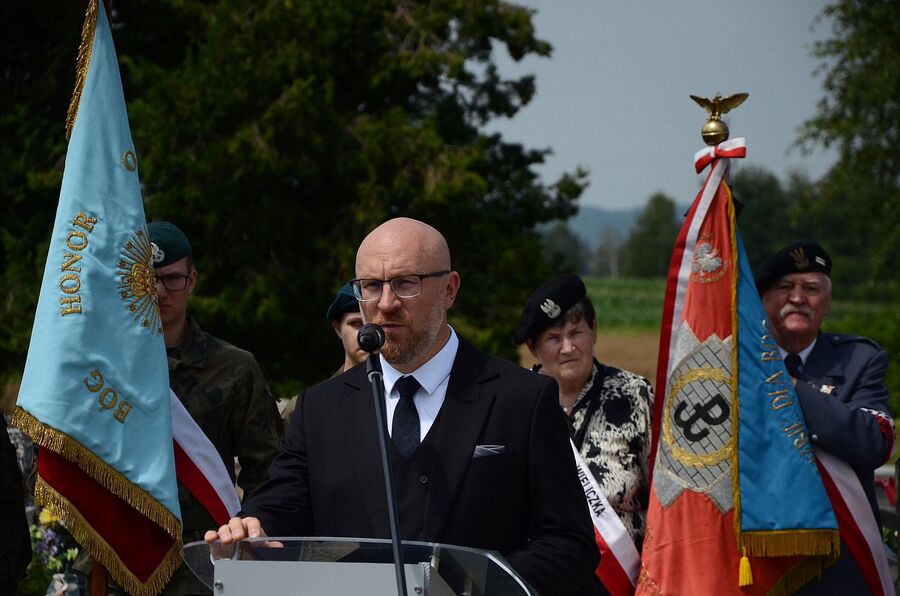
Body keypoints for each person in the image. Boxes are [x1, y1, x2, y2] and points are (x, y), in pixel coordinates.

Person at [206, 217, 599, 595]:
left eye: (405, 283)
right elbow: (281, 505)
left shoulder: (522, 400)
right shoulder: (320, 409)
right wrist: (252, 527)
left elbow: (569, 543)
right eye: (371, 286)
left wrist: (482, 589)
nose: (386, 303)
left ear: (449, 289)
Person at [148, 221, 283, 595]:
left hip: (201, 561)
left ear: (191, 281)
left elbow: (268, 470)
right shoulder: (101, 372)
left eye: (172, 279)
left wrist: (247, 535)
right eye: (147, 279)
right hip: (115, 559)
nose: (159, 291)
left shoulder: (235, 368)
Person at [756, 241, 894, 593]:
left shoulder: (859, 360)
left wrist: (788, 386)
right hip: (757, 556)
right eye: (785, 287)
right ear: (761, 300)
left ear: (828, 302)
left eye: (811, 289)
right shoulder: (738, 368)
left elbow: (873, 442)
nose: (797, 298)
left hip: (839, 562)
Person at [513, 276, 653, 572]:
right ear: (533, 347)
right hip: (544, 578)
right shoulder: (514, 402)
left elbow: (663, 500)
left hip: (622, 581)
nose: (568, 348)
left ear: (594, 331)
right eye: (554, 338)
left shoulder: (635, 395)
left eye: (576, 333)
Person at [326, 281, 368, 375]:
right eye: (355, 323)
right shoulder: (332, 385)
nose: (368, 333)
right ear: (338, 328)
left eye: (376, 324)